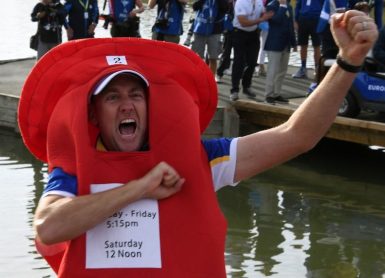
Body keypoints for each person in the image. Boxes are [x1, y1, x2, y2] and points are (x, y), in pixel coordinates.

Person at [18, 10, 377, 277]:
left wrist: (348, 61)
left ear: (149, 106)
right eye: (111, 97)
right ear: (93, 115)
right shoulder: (74, 171)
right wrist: (140, 188)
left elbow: (297, 136)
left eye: (136, 94)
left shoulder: (199, 161)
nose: (127, 103)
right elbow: (49, 227)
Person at [229, 0, 274, 101]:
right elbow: (243, 22)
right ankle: (234, 90)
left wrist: (270, 13)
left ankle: (246, 86)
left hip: (253, 33)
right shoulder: (241, 2)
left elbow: (263, 12)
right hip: (239, 32)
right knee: (238, 62)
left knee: (252, 62)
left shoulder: (258, 1)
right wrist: (261, 19)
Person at [264, 0, 297, 104]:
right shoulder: (271, 6)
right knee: (272, 71)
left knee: (282, 71)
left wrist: (294, 42)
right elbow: (275, 20)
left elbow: (290, 25)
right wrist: (282, 6)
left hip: (285, 43)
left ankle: (276, 94)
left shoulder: (289, 6)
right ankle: (269, 94)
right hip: (274, 43)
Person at [191, 0, 229, 75]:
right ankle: (196, 76)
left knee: (213, 57)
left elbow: (225, 9)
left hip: (215, 31)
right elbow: (194, 7)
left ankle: (211, 79)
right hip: (200, 30)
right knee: (197, 57)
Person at [292, 0, 323, 79]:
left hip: (316, 19)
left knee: (317, 45)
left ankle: (317, 69)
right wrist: (295, 20)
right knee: (303, 45)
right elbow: (298, 5)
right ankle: (303, 68)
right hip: (302, 20)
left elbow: (325, 5)